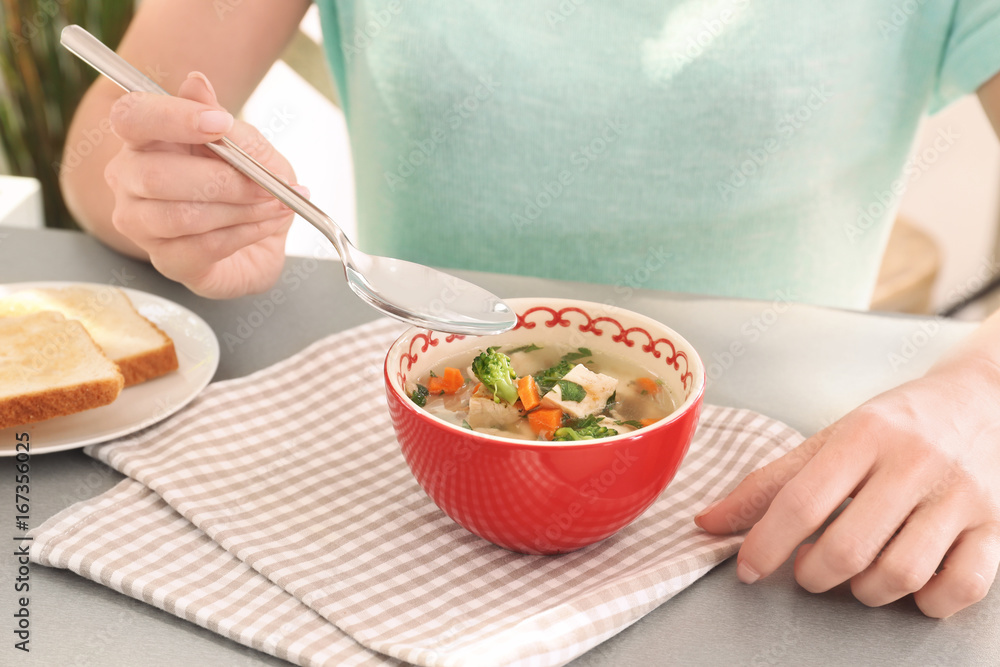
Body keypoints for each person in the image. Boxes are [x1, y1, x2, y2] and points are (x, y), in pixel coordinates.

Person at [62, 0, 1000, 618]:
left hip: (800, 521)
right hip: (408, 530)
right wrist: (175, 195)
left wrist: (980, 395)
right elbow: (99, 151)